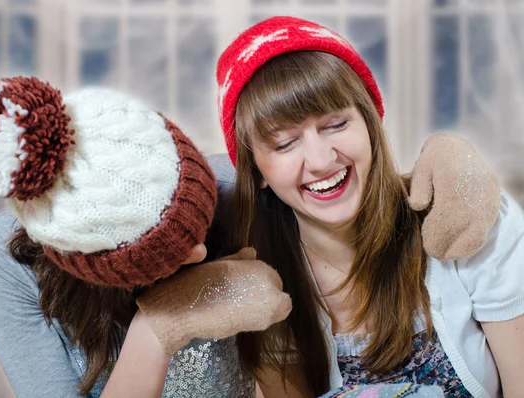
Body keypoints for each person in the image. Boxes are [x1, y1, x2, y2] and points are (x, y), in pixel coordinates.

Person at [215, 16, 524, 397]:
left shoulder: (461, 217)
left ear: (370, 121)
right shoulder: (264, 285)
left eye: (335, 124)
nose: (320, 160)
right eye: (284, 144)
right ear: (257, 169)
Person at [0, 76, 290, 398]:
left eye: (202, 217)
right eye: (166, 252)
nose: (200, 253)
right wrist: (157, 329)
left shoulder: (235, 186)